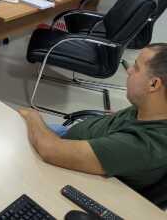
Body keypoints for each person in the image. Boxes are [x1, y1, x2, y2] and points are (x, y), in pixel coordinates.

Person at [18, 44, 167, 193]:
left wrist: (33, 115)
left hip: (61, 155)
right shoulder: (151, 107)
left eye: (136, 67)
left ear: (153, 84)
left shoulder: (141, 146)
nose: (129, 70)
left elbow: (50, 150)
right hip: (69, 138)